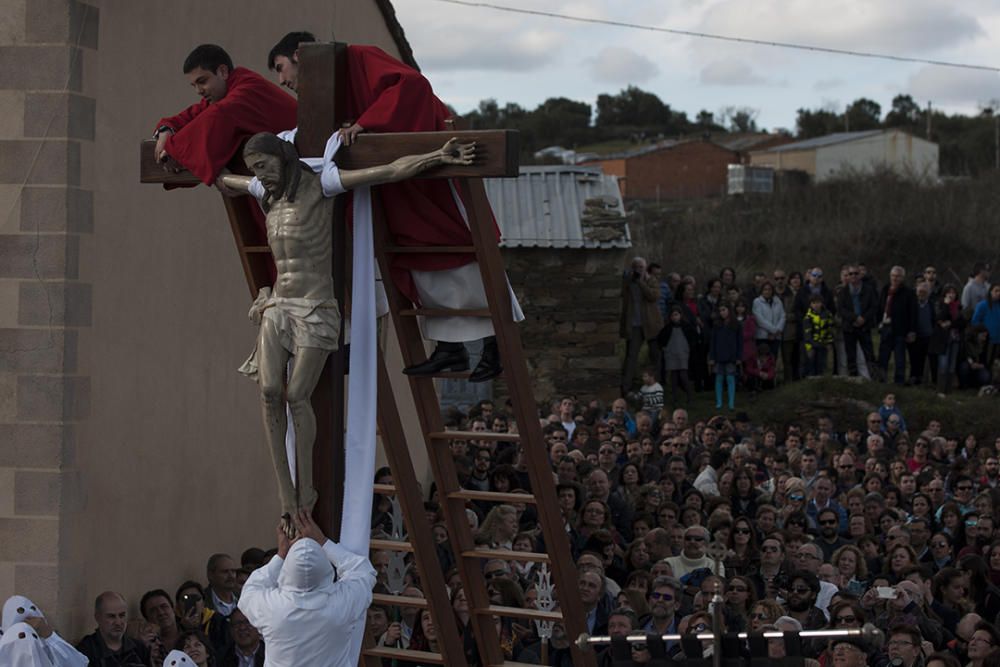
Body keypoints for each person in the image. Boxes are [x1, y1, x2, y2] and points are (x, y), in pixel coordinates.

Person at [223, 131, 475, 530]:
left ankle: (306, 489)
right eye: (254, 170)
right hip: (278, 305)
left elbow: (389, 171)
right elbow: (222, 179)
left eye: (264, 166)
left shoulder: (323, 184)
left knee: (296, 394)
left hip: (316, 307)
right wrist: (189, 156)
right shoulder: (263, 191)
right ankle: (286, 494)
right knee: (270, 393)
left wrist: (437, 156)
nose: (259, 175)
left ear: (283, 158)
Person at [265, 31, 522, 382]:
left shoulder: (359, 56)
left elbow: (412, 86)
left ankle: (494, 347)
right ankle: (450, 348)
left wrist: (366, 124)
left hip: (429, 171)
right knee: (414, 253)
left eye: (281, 69)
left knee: (458, 249)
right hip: (398, 185)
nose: (282, 81)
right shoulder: (323, 92)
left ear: (299, 55)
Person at [238, 509, 377, 666]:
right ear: (325, 568)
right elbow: (363, 571)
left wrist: (281, 555)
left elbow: (249, 590)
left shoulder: (272, 608)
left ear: (287, 570)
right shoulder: (342, 603)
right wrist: (323, 542)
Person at [153, 44, 297, 189]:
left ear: (222, 72)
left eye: (202, 82)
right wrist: (166, 130)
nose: (198, 91)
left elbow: (219, 115)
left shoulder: (247, 89)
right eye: (194, 85)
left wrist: (174, 152)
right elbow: (191, 116)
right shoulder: (222, 96)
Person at [1, 595, 88, 666]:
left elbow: (77, 664)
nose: (29, 614)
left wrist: (49, 635)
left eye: (32, 609)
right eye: (20, 611)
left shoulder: (47, 649)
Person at [619, 256, 665, 394]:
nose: (638, 270)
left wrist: (641, 283)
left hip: (652, 325)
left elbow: (654, 296)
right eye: (636, 267)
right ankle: (626, 388)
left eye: (641, 267)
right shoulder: (628, 282)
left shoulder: (651, 280)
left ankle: (656, 386)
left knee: (655, 355)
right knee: (631, 357)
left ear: (645, 268)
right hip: (634, 325)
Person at [76, 591, 151, 667]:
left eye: (122, 615)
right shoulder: (86, 651)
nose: (118, 622)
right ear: (98, 617)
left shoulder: (139, 649)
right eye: (111, 616)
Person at [878, 266, 917, 384]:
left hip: (900, 329)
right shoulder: (885, 289)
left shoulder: (908, 292)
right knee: (883, 357)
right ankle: (881, 380)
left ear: (902, 278)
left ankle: (898, 382)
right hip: (885, 327)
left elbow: (913, 313)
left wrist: (912, 330)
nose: (895, 278)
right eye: (893, 276)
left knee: (900, 359)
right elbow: (880, 307)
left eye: (898, 276)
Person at [708, 303, 741, 410]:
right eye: (720, 310)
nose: (722, 312)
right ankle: (719, 402)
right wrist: (712, 357)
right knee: (719, 378)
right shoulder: (716, 325)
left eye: (724, 309)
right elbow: (712, 342)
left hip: (731, 356)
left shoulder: (736, 325)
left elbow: (740, 342)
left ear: (729, 310)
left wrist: (739, 357)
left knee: (731, 378)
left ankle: (731, 403)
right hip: (718, 356)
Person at [802, 293, 834, 376]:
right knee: (811, 365)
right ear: (810, 304)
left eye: (818, 302)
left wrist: (829, 342)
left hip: (823, 343)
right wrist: (812, 345)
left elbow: (829, 329)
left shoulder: (827, 314)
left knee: (822, 364)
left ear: (822, 303)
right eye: (813, 303)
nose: (816, 305)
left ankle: (822, 381)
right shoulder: (808, 317)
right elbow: (807, 334)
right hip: (811, 345)